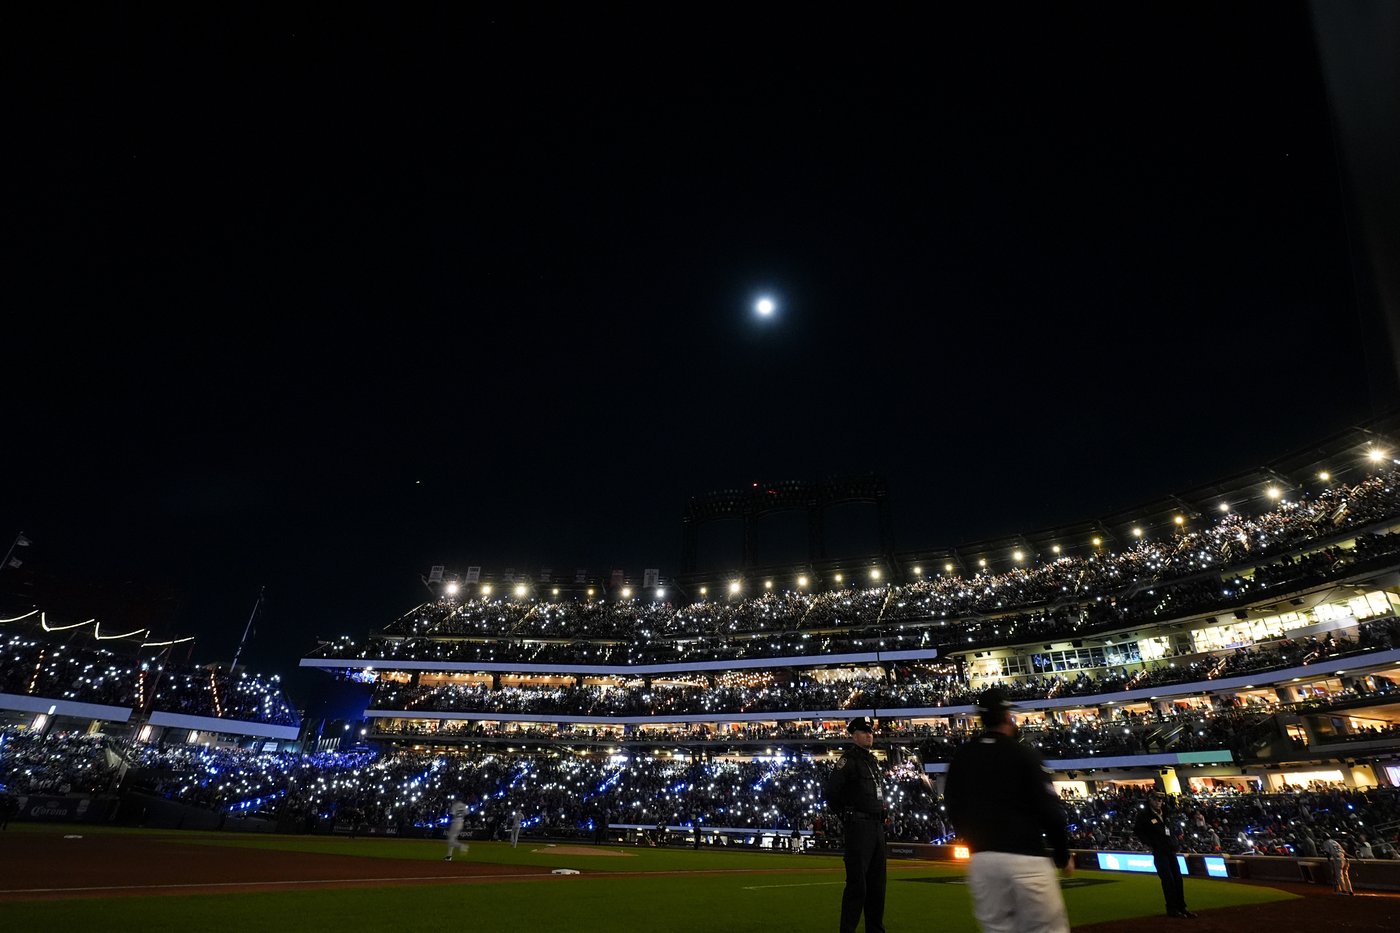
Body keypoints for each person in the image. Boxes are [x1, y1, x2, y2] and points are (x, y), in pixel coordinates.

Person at [945, 688, 1073, 933]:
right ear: (1006, 715)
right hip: (1026, 857)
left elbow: (952, 807)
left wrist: (974, 842)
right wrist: (1062, 854)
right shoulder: (1023, 753)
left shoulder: (962, 756)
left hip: (982, 861)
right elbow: (1050, 811)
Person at [825, 717, 888, 933]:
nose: (869, 735)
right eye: (863, 732)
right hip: (859, 827)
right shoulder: (848, 761)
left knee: (877, 887)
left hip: (876, 827)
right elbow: (831, 792)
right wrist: (847, 816)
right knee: (857, 886)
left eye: (870, 731)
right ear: (853, 736)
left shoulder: (872, 761)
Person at [1133, 793, 1196, 919]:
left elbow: (1171, 828)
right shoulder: (1144, 815)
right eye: (1156, 799)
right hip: (1159, 851)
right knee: (1168, 880)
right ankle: (1172, 908)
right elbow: (1138, 831)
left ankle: (1182, 907)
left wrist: (1175, 841)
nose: (1158, 802)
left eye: (1160, 800)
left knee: (1178, 879)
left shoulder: (1165, 812)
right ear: (1150, 800)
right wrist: (1150, 843)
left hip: (1170, 849)